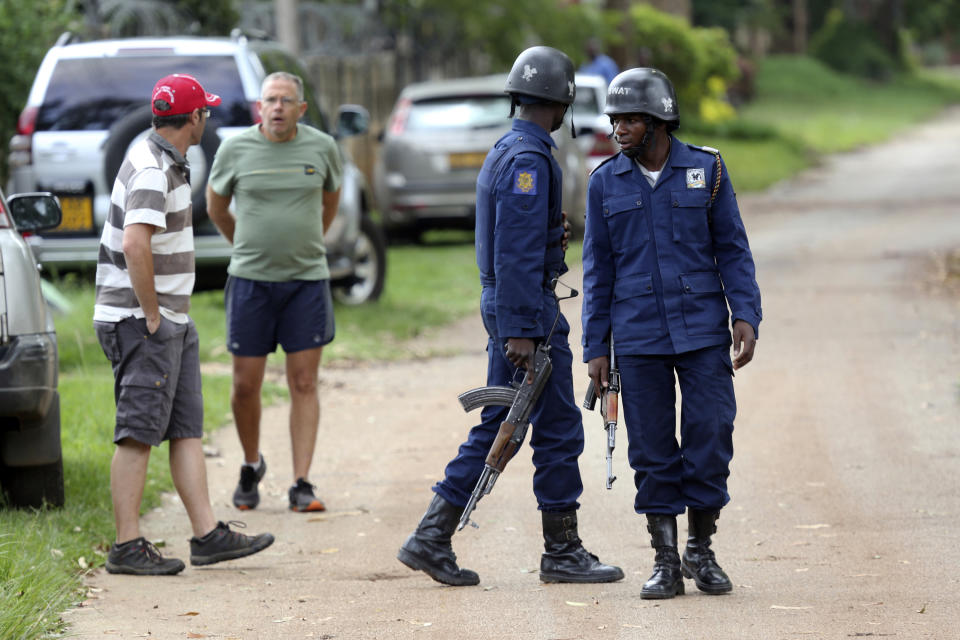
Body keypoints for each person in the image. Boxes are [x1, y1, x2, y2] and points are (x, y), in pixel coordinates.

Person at [397, 46, 624, 587]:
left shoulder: (511, 147)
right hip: (526, 311)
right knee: (549, 427)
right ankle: (557, 551)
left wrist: (551, 240)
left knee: (511, 422)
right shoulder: (528, 159)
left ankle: (438, 536)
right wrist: (523, 328)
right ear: (563, 101)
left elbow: (521, 239)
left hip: (515, 302)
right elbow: (515, 250)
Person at [581, 68, 762, 599]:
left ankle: (700, 551)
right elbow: (597, 270)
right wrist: (596, 346)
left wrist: (745, 314)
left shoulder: (707, 171)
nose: (619, 128)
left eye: (630, 119)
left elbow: (732, 246)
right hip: (637, 339)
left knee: (711, 434)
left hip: (703, 332)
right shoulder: (603, 183)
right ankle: (664, 561)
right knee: (653, 450)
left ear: (658, 121)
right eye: (615, 119)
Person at [93, 74, 275, 575]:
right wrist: (152, 313)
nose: (207, 120)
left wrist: (169, 315)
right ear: (193, 118)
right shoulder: (152, 167)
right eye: (206, 113)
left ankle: (206, 535)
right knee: (137, 432)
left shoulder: (170, 161)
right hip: (142, 320)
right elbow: (135, 244)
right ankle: (127, 546)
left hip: (172, 318)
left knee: (184, 428)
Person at [206, 71, 342, 513]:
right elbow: (216, 206)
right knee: (246, 385)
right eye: (271, 100)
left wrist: (308, 244)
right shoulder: (234, 149)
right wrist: (246, 245)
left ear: (301, 109)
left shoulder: (322, 148)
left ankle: (302, 483)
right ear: (259, 108)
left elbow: (330, 200)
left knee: (303, 382)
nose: (278, 107)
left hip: (306, 281)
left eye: (286, 100)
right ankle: (250, 465)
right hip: (250, 282)